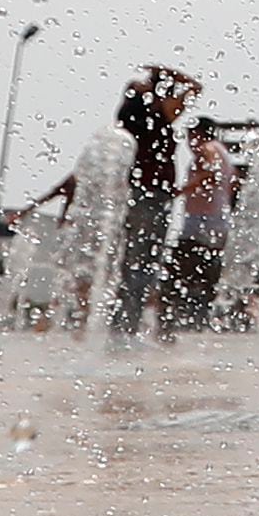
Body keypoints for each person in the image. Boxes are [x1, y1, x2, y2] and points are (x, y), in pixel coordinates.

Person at [106, 65, 199, 345]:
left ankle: (122, 326)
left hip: (140, 194)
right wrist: (171, 73)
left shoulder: (134, 119)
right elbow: (195, 88)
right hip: (152, 196)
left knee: (133, 261)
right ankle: (125, 328)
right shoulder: (157, 117)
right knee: (142, 263)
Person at [163, 121, 236, 332]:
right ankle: (199, 320)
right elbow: (230, 185)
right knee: (205, 274)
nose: (189, 143)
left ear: (199, 134)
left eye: (191, 136)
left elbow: (211, 175)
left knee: (176, 270)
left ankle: (169, 323)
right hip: (216, 220)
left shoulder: (208, 149)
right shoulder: (223, 152)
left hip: (202, 222)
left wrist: (181, 191)